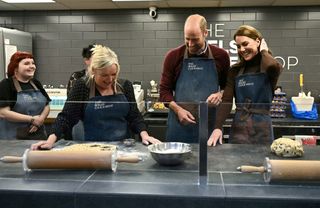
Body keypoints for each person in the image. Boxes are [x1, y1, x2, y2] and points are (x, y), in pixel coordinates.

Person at [31, 45, 160, 150]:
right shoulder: (83, 86)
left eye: (113, 74)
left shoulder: (125, 85)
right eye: (104, 75)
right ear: (93, 71)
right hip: (91, 148)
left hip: (123, 148)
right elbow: (66, 117)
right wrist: (50, 140)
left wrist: (145, 135)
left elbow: (134, 116)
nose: (110, 79)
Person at [207, 25, 283, 146]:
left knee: (262, 164)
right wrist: (217, 127)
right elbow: (227, 100)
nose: (242, 49)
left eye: (245, 44)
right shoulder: (235, 70)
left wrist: (264, 51)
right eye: (238, 46)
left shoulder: (268, 67)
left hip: (262, 129)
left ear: (258, 41)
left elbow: (274, 67)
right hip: (239, 127)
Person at [159, 14, 230, 143]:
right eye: (187, 39)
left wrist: (220, 94)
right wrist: (178, 110)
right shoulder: (173, 56)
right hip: (179, 126)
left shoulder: (221, 56)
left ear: (205, 33)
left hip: (209, 127)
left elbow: (228, 88)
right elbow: (164, 92)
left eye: (195, 39)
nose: (190, 44)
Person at [0, 51, 51, 140]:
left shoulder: (35, 83)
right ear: (15, 68)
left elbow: (47, 105)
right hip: (13, 138)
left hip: (38, 135)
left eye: (33, 63)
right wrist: (31, 119)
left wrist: (40, 120)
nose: (32, 66)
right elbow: (3, 113)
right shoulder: (6, 84)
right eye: (27, 63)